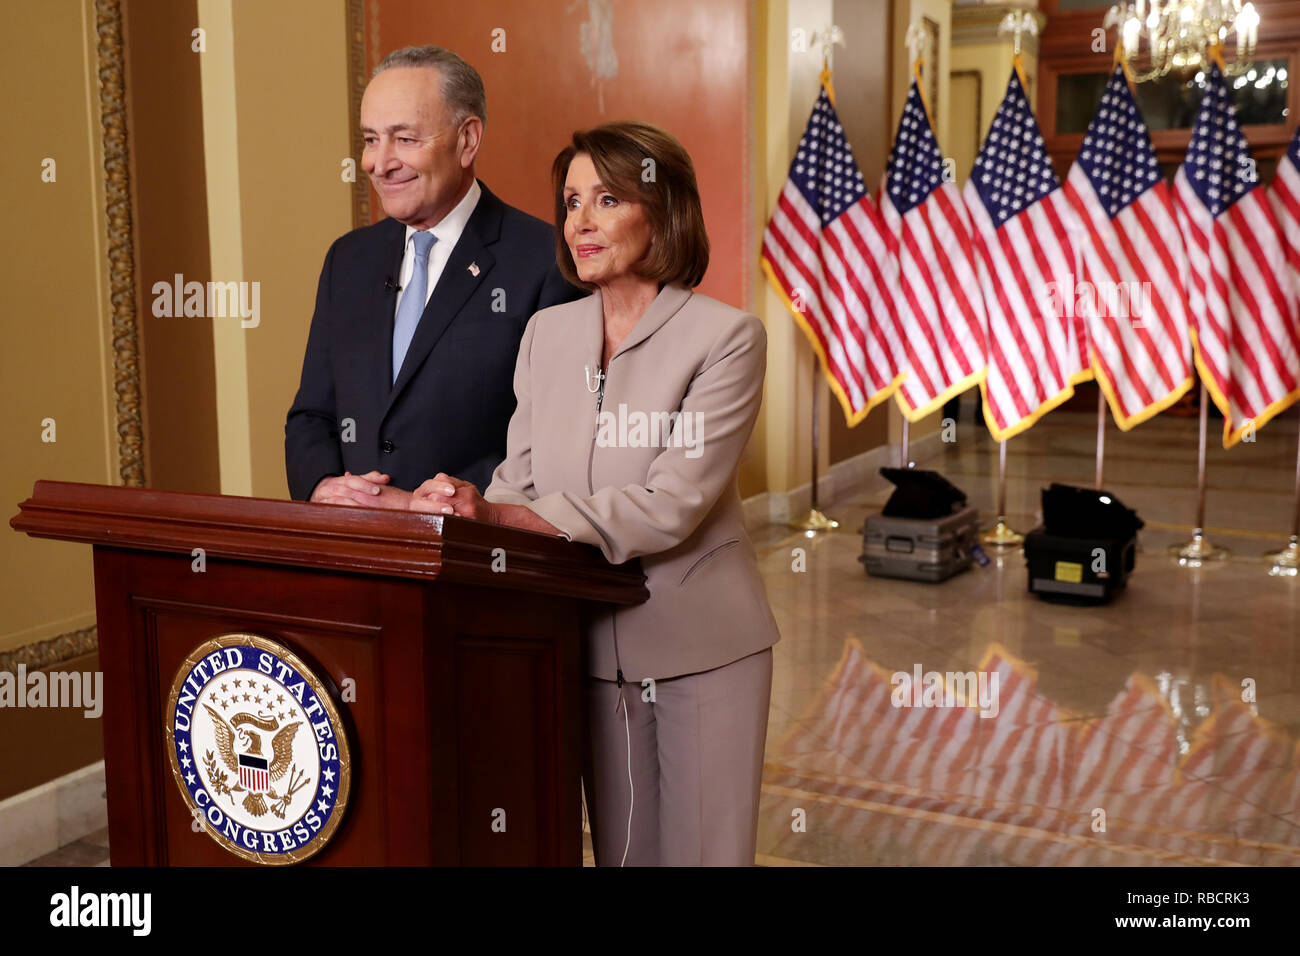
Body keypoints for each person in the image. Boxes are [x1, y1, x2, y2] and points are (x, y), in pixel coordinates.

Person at [410, 122, 781, 866]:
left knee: (703, 855)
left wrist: (509, 513)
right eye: (571, 201)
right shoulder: (547, 332)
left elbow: (671, 503)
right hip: (577, 645)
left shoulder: (727, 338)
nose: (580, 220)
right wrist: (466, 505)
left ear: (664, 210)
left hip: (701, 645)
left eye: (607, 199)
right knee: (622, 853)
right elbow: (518, 476)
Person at [285, 45, 581, 506]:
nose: (378, 163)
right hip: (351, 550)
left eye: (404, 139)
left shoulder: (546, 261)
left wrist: (442, 502)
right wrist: (323, 484)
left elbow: (556, 437)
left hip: (476, 557)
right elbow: (311, 414)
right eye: (369, 139)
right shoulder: (348, 259)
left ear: (467, 140)